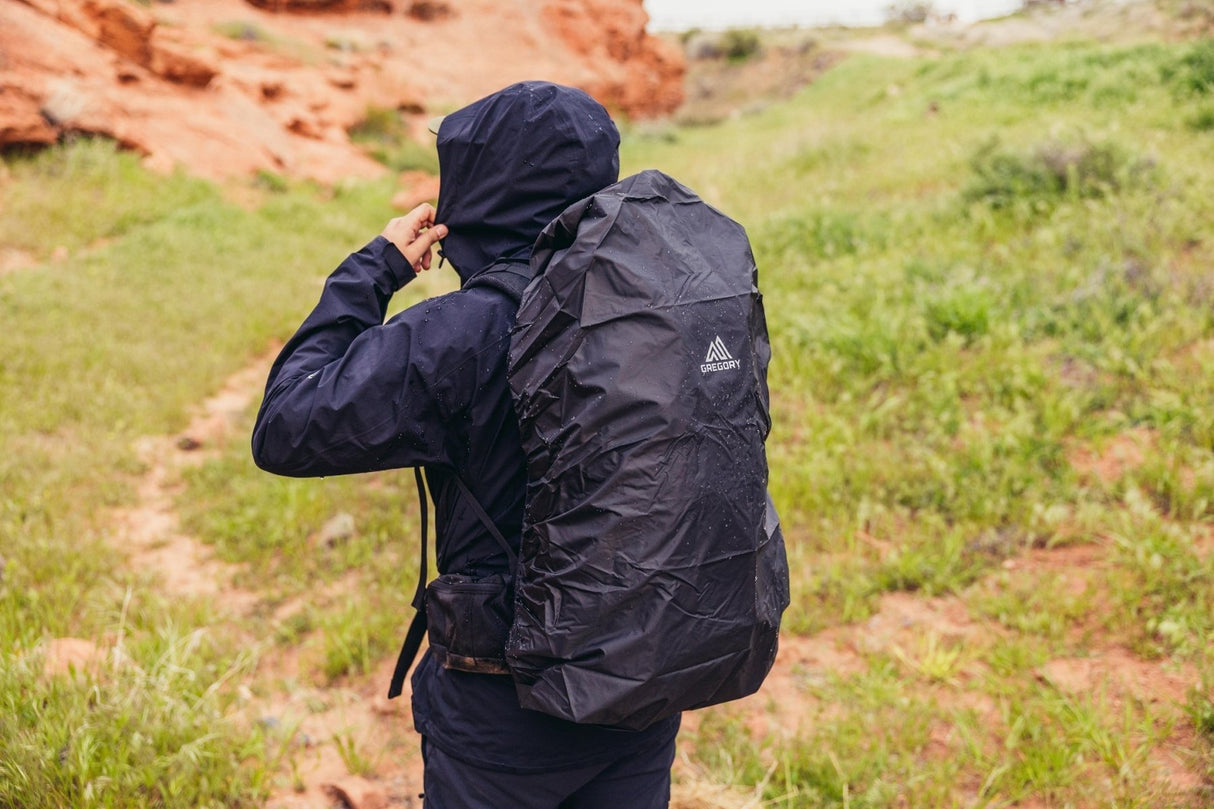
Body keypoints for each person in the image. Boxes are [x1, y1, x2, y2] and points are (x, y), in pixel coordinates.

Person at [251, 81, 681, 808]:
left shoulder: (466, 329)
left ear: (480, 188)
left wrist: (376, 266)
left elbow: (286, 425)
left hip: (502, 714)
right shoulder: (665, 301)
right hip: (643, 682)